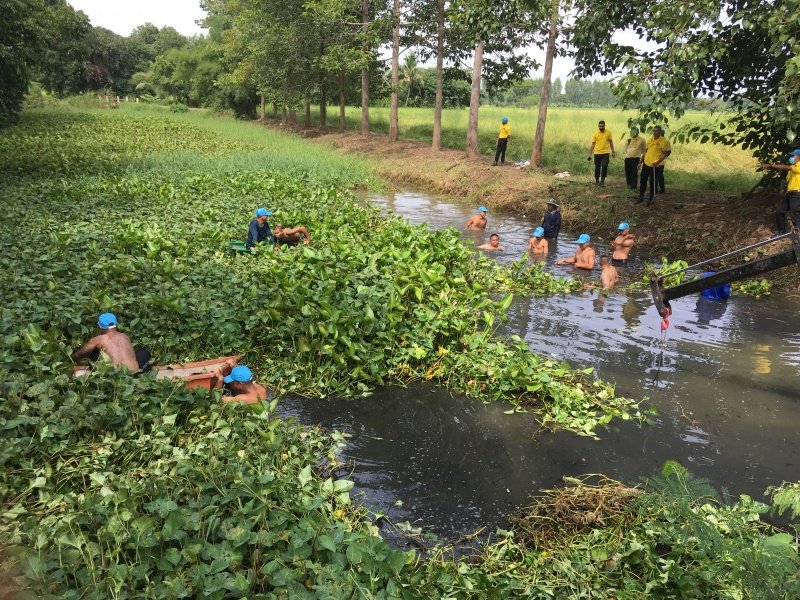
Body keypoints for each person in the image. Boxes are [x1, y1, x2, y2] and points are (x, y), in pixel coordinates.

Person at [72, 313, 150, 372]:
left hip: (113, 375)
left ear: (100, 327)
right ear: (116, 324)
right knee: (144, 353)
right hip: (134, 373)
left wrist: (73, 358)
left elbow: (80, 354)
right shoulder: (124, 336)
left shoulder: (98, 340)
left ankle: (88, 368)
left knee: (94, 353)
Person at [762, 149, 800, 234]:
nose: (792, 157)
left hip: (797, 194)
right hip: (790, 194)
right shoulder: (792, 170)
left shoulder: (798, 166)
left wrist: (771, 165)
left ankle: (798, 233)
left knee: (795, 214)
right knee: (780, 211)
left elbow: (786, 167)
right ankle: (781, 231)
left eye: (794, 156)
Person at [636, 126, 671, 206]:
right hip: (646, 163)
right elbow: (645, 151)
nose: (655, 133)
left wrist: (658, 162)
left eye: (657, 131)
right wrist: (640, 162)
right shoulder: (649, 139)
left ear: (660, 132)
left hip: (657, 165)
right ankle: (641, 197)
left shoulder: (664, 141)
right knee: (643, 180)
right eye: (654, 131)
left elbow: (665, 153)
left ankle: (651, 199)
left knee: (653, 182)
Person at [587, 120, 615, 186]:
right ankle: (597, 181)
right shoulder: (595, 134)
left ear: (605, 126)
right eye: (600, 126)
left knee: (605, 166)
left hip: (606, 152)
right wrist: (590, 154)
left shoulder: (608, 133)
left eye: (602, 126)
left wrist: (613, 151)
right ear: (598, 126)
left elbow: (611, 142)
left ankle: (602, 181)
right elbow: (593, 144)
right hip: (597, 153)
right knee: (597, 167)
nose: (601, 127)